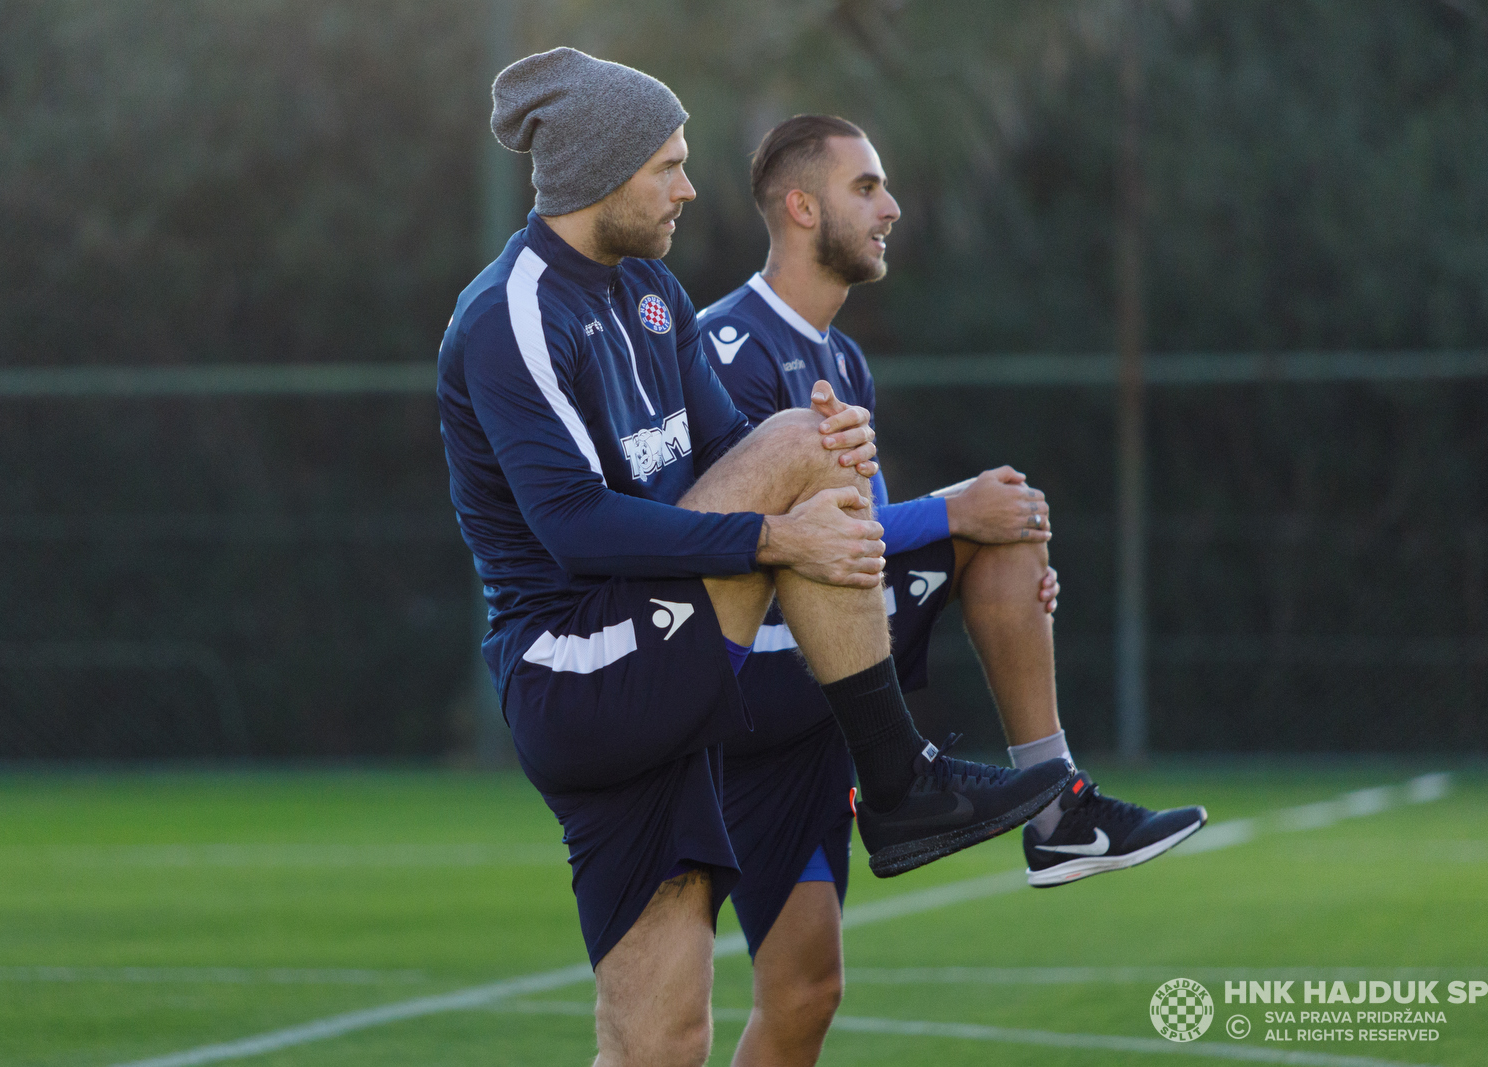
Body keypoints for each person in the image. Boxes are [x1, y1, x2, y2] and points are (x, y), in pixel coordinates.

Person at [436, 52, 1073, 1067]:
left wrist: (836, 457)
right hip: (578, 666)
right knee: (803, 451)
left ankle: (900, 778)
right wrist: (781, 527)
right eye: (667, 166)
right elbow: (573, 526)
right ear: (601, 173)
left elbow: (738, 442)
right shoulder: (511, 311)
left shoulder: (648, 292)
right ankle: (899, 779)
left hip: (662, 656)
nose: (688, 187)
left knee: (658, 1044)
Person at [698, 114, 1208, 1066]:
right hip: (752, 675)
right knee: (668, 1009)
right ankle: (1056, 814)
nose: (891, 207)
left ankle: (1060, 816)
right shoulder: (727, 347)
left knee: (807, 991)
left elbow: (871, 547)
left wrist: (999, 581)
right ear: (801, 207)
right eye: (866, 187)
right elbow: (775, 546)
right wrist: (955, 518)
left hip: (827, 677)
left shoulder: (844, 361)